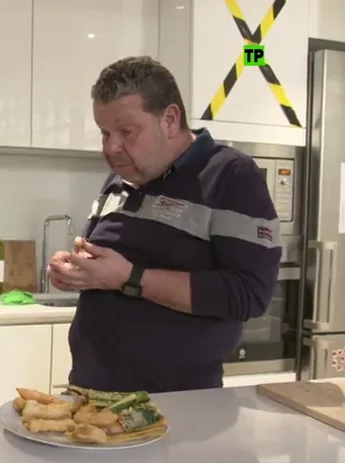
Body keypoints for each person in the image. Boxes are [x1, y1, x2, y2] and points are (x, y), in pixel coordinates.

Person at [47, 56, 281, 394]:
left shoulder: (230, 176)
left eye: (126, 131)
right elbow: (104, 266)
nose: (111, 147)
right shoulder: (120, 177)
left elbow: (249, 294)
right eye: (105, 133)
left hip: (177, 407)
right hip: (90, 391)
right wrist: (76, 270)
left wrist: (130, 278)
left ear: (170, 119)